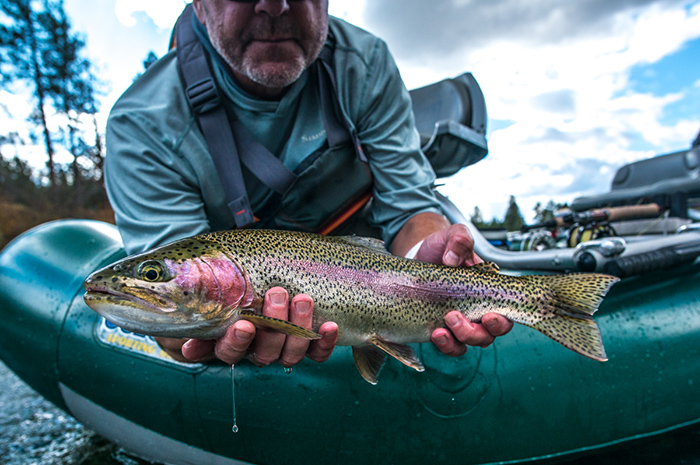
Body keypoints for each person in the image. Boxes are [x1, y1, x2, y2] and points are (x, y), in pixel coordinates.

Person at [104, 0, 513, 369]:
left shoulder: (365, 63)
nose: (275, 6)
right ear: (198, 4)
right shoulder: (142, 123)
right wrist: (199, 338)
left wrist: (427, 251)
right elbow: (169, 318)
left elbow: (410, 207)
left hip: (374, 278)